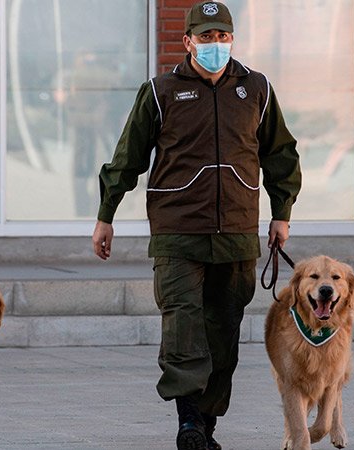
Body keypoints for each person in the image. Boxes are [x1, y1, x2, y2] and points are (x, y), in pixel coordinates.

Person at [91, 2, 301, 449]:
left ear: (231, 39)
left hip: (238, 236)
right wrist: (106, 215)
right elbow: (127, 158)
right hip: (177, 233)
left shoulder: (256, 89)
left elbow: (280, 154)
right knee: (184, 325)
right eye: (205, 37)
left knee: (223, 333)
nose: (215, 45)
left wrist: (281, 212)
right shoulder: (160, 91)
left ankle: (205, 427)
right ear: (187, 41)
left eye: (222, 36)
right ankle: (188, 422)